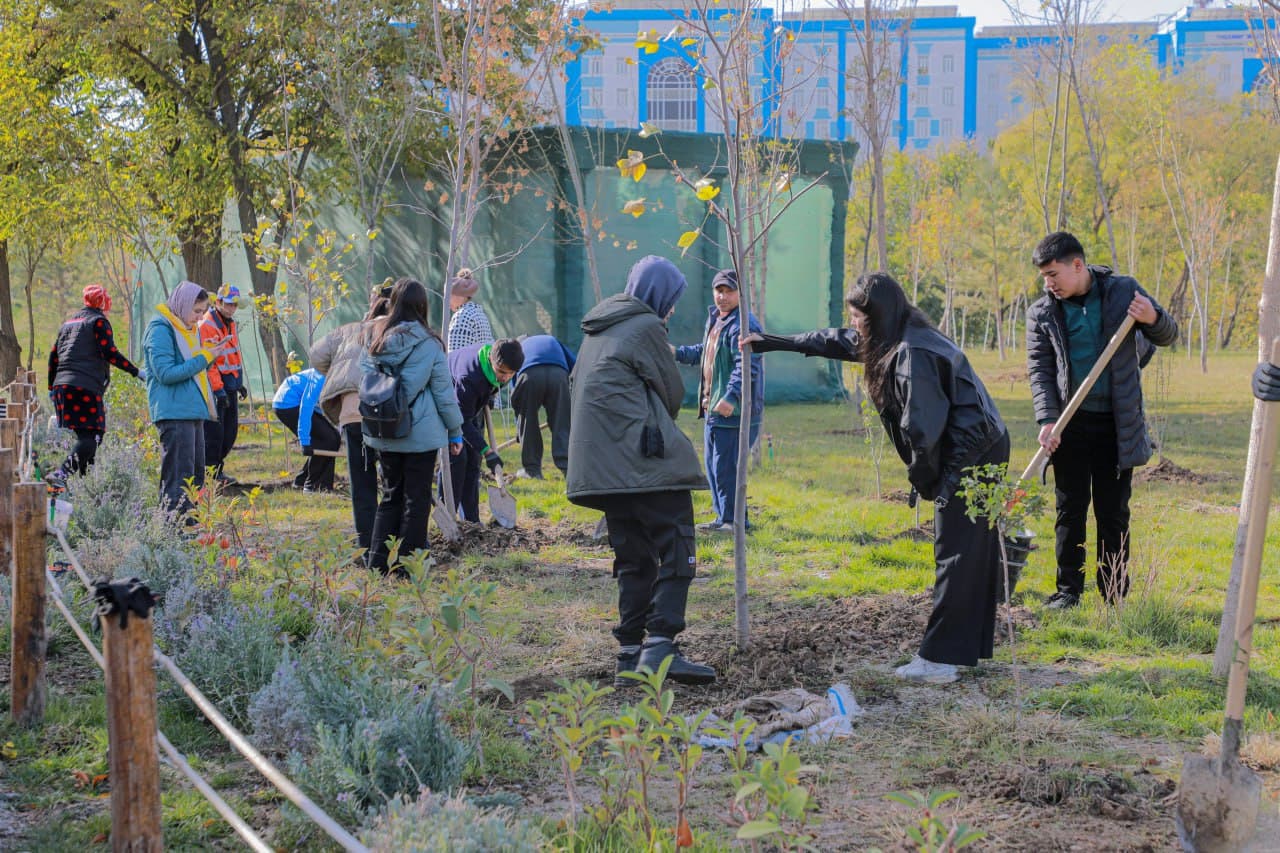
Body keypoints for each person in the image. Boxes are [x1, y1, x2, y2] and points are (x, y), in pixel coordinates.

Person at [743, 272, 1009, 684]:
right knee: (967, 550)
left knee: (955, 551)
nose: (853, 324)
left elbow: (923, 431)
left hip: (970, 452)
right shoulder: (896, 334)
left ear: (877, 316)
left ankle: (939, 661)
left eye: (858, 317)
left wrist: (927, 480)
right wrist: (775, 342)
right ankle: (960, 650)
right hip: (978, 441)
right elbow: (837, 341)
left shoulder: (911, 355)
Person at [567, 254, 714, 686]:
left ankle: (629, 655)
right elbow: (673, 394)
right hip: (642, 461)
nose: (671, 310)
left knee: (633, 559)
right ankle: (661, 646)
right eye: (671, 300)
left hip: (601, 469)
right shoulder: (647, 327)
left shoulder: (596, 331)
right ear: (658, 296)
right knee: (677, 543)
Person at [1027, 231, 1178, 609]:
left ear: (1077, 265)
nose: (1049, 283)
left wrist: (1153, 317)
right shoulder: (1042, 313)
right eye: (1044, 277)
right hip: (1070, 425)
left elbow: (1168, 333)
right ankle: (1068, 592)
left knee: (1113, 513)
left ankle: (1113, 592)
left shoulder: (1123, 291)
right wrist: (1047, 420)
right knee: (1069, 510)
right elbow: (1040, 371)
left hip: (1117, 424)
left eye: (1053, 274)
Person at [360, 277, 464, 575]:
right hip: (419, 434)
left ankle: (378, 563)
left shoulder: (376, 338)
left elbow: (364, 381)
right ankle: (410, 567)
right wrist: (455, 431)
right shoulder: (430, 344)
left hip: (384, 430)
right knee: (416, 500)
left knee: (391, 495)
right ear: (422, 306)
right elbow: (444, 394)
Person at [674, 269, 764, 533]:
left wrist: (731, 397)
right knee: (714, 468)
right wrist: (677, 353)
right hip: (713, 409)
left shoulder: (744, 324)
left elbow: (747, 365)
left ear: (740, 294)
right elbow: (707, 353)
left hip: (733, 412)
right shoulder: (717, 319)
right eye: (719, 290)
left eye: (729, 291)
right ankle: (722, 518)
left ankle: (735, 522)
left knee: (727, 468)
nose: (722, 296)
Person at [310, 285, 392, 554]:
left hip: (351, 414)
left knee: (361, 479)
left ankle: (366, 543)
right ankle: (390, 542)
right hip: (385, 413)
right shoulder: (397, 331)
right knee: (393, 479)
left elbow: (315, 355)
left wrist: (339, 370)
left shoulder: (348, 330)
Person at [144, 281, 235, 518]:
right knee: (178, 477)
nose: (199, 318)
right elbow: (166, 373)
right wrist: (204, 357)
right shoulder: (160, 328)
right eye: (196, 311)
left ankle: (190, 525)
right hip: (174, 413)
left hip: (192, 412)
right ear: (181, 305)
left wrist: (210, 353)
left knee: (194, 477)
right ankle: (171, 529)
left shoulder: (186, 329)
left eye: (203, 312)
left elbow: (193, 365)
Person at [46, 285, 146, 484]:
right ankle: (62, 473)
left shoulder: (69, 323)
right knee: (94, 437)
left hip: (62, 387)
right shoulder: (98, 322)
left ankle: (87, 485)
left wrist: (51, 388)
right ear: (103, 303)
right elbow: (110, 353)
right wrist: (137, 372)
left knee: (86, 436)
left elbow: (53, 358)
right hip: (84, 387)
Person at [447, 339, 524, 521]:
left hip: (469, 404)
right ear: (491, 361)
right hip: (448, 401)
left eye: (510, 374)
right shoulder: (469, 377)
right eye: (501, 372)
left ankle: (471, 520)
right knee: (457, 460)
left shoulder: (504, 360)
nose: (505, 377)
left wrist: (487, 397)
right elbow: (461, 421)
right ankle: (449, 514)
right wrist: (488, 450)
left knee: (474, 460)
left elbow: (492, 384)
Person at [198, 285, 246, 484]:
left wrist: (239, 382)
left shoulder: (229, 323)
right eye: (227, 304)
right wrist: (218, 390)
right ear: (217, 302)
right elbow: (210, 362)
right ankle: (211, 473)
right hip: (217, 387)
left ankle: (216, 469)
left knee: (230, 432)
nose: (231, 308)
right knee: (215, 433)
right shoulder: (207, 324)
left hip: (230, 384)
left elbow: (232, 354)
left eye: (234, 305)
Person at [510, 334, 574, 479]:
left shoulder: (518, 350)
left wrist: (520, 426)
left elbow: (517, 401)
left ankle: (532, 471)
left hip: (529, 374)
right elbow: (574, 364)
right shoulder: (552, 339)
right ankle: (569, 469)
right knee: (561, 423)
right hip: (558, 374)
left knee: (528, 421)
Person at [272, 368, 341, 492]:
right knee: (326, 440)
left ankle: (303, 482)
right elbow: (306, 408)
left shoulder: (340, 379)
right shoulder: (320, 379)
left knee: (334, 438)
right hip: (287, 403)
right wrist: (304, 441)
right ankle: (313, 486)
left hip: (299, 402)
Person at [446, 268, 494, 351]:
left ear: (459, 296)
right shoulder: (479, 313)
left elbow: (455, 356)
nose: (447, 300)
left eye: (449, 296)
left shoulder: (462, 316)